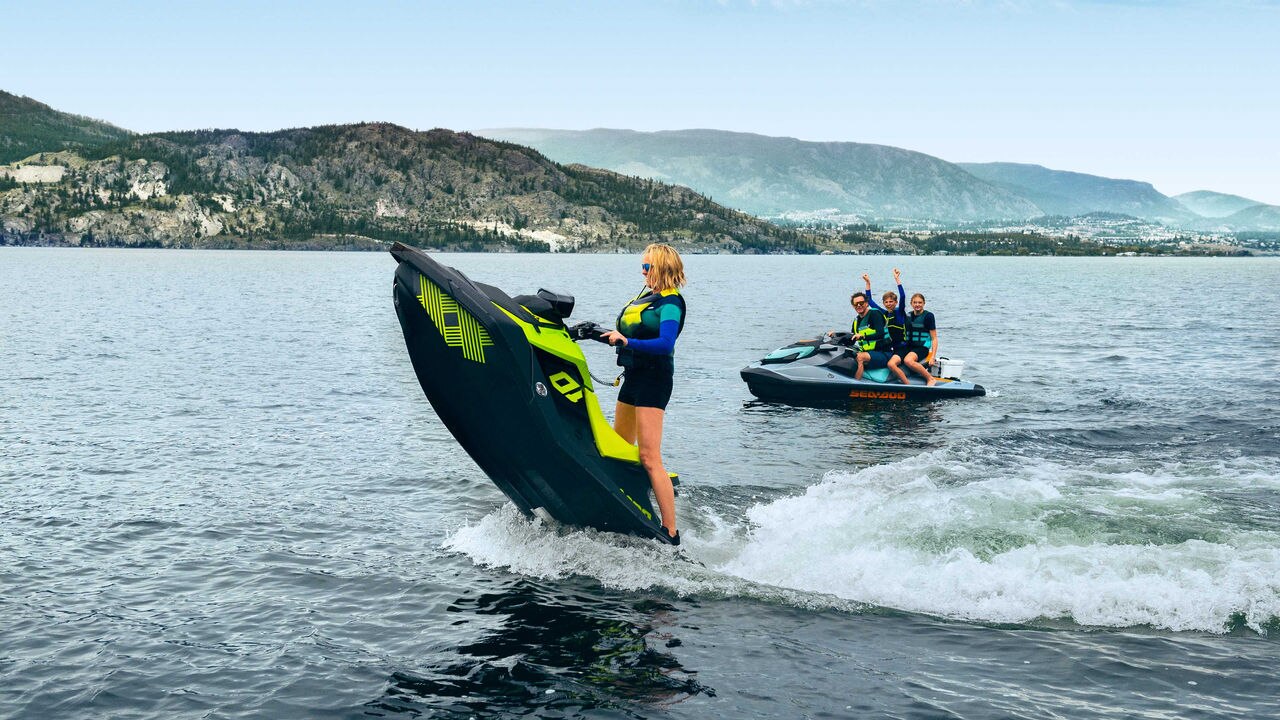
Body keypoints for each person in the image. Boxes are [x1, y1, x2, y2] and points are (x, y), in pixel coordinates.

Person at [600, 244, 686, 543]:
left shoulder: (671, 303)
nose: (643, 271)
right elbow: (628, 335)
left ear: (661, 268)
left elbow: (664, 344)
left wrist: (626, 342)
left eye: (647, 267)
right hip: (634, 377)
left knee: (649, 456)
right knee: (620, 445)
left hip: (655, 380)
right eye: (643, 266)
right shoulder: (644, 297)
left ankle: (671, 531)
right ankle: (628, 501)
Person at [863, 268, 910, 384]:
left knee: (891, 364)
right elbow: (869, 302)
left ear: (896, 302)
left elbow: (903, 296)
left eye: (891, 301)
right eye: (886, 302)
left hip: (901, 348)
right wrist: (868, 283)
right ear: (884, 303)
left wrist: (897, 279)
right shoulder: (883, 314)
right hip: (889, 348)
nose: (889, 304)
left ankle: (907, 385)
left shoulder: (900, 313)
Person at [848, 292, 893, 380]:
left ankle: (855, 385)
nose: (859, 305)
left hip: (883, 353)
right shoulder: (856, 321)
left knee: (860, 357)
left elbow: (880, 334)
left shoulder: (875, 314)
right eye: (856, 304)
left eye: (861, 303)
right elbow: (851, 338)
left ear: (867, 303)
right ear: (853, 306)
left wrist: (863, 337)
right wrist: (835, 335)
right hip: (869, 353)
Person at [903, 293, 939, 386]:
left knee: (908, 360)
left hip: (922, 348)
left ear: (924, 303)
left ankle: (930, 379)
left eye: (920, 302)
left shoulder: (928, 316)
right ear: (911, 303)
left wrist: (933, 357)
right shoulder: (908, 316)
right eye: (915, 302)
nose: (917, 305)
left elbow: (934, 338)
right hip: (909, 347)